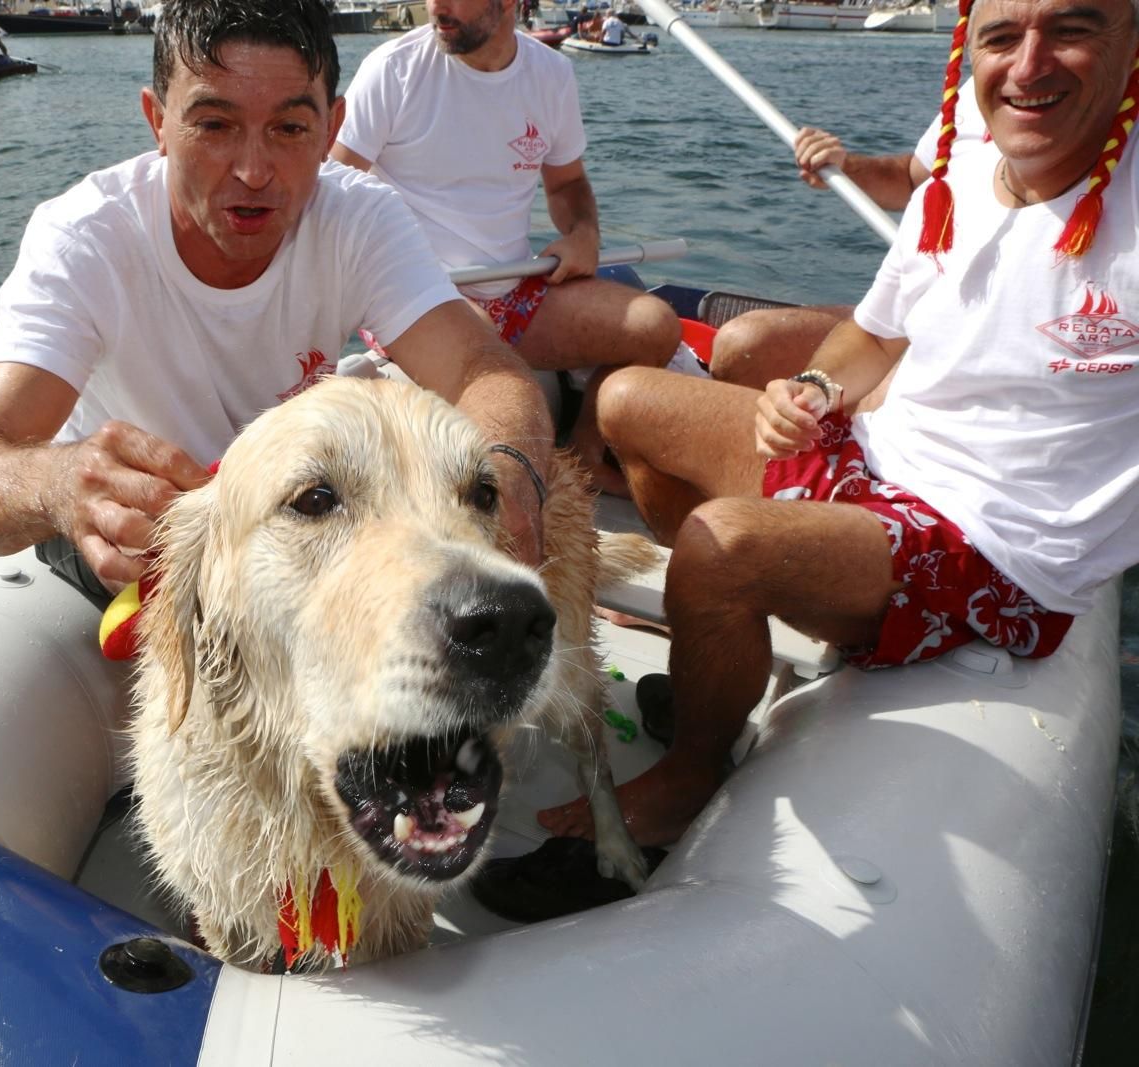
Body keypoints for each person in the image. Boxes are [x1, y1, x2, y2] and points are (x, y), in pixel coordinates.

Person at [554, 0, 1139, 850]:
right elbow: (875, 333)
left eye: (1073, 30)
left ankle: (691, 770)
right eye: (1002, 37)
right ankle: (722, 641)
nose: (1029, 64)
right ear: (968, 52)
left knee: (722, 542)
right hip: (885, 454)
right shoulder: (962, 165)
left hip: (997, 543)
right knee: (627, 401)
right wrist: (818, 387)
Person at [0, 0, 554, 606]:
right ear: (158, 122)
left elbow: (484, 370)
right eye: (214, 125)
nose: (254, 171)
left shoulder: (359, 216)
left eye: (289, 129)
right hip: (145, 536)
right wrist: (61, 484)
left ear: (331, 129)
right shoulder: (84, 239)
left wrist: (506, 475)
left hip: (300, 518)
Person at [330, 0, 682, 494]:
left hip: (516, 287)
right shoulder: (393, 71)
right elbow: (333, 191)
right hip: (419, 297)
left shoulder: (551, 74)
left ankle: (585, 447)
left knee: (656, 327)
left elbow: (567, 185)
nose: (436, 6)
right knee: (485, 352)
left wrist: (584, 234)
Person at [709, 77, 985, 388]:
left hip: (974, 340)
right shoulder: (981, 92)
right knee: (744, 345)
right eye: (1001, 39)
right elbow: (911, 179)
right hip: (913, 317)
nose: (1025, 63)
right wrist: (844, 166)